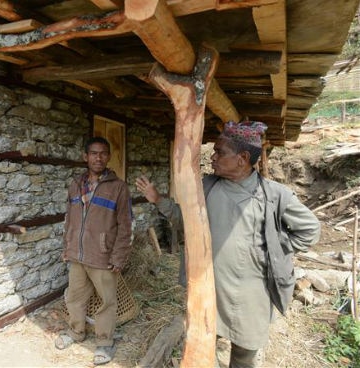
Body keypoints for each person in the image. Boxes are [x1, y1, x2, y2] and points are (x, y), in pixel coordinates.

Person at [135, 121, 321, 368]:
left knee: (245, 354)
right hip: (210, 290)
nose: (212, 157)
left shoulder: (273, 195)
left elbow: (310, 230)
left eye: (219, 152)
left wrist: (271, 248)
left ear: (242, 158)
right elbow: (186, 219)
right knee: (204, 343)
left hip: (252, 293)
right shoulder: (208, 186)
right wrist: (158, 199)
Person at [55, 136, 133, 366]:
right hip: (77, 256)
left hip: (103, 256)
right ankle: (76, 332)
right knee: (75, 298)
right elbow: (70, 219)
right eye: (93, 153)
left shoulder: (118, 187)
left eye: (103, 153)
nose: (98, 158)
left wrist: (119, 256)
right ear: (85, 157)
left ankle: (104, 343)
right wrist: (67, 247)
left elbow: (126, 225)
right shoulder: (76, 185)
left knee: (107, 302)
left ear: (109, 157)